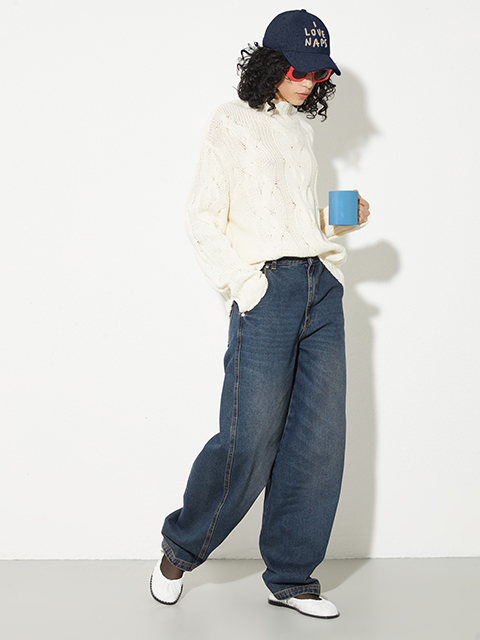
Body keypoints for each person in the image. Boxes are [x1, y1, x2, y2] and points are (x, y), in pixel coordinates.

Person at [150, 9, 370, 619]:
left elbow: (288, 219)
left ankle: (292, 578)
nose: (308, 82)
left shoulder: (299, 131)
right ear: (271, 64)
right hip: (267, 292)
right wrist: (246, 286)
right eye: (299, 70)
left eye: (318, 74)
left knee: (319, 439)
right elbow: (203, 217)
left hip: (320, 288)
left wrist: (335, 225)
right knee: (248, 438)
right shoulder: (230, 122)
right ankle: (179, 550)